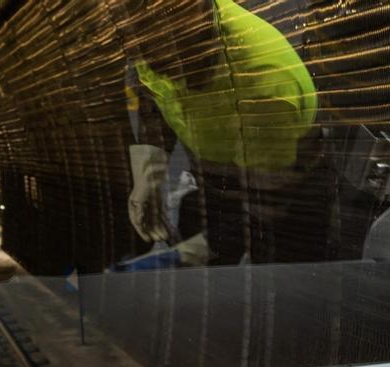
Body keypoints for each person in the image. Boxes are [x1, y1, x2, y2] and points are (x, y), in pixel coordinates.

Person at [119, 0, 325, 267]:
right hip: (216, 180)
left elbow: (264, 213)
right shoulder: (153, 35)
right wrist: (148, 174)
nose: (166, 77)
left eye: (172, 68)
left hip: (289, 201)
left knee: (277, 285)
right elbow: (155, 98)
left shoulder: (264, 86)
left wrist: (186, 255)